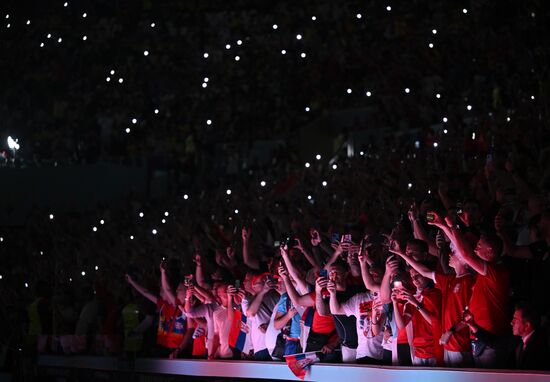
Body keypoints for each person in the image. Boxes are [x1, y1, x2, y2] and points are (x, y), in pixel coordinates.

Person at [463, 302, 550, 371]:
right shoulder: (517, 339)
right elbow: (494, 342)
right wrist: (473, 325)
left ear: (527, 326)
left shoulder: (541, 348)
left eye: (515, 320)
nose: (511, 323)